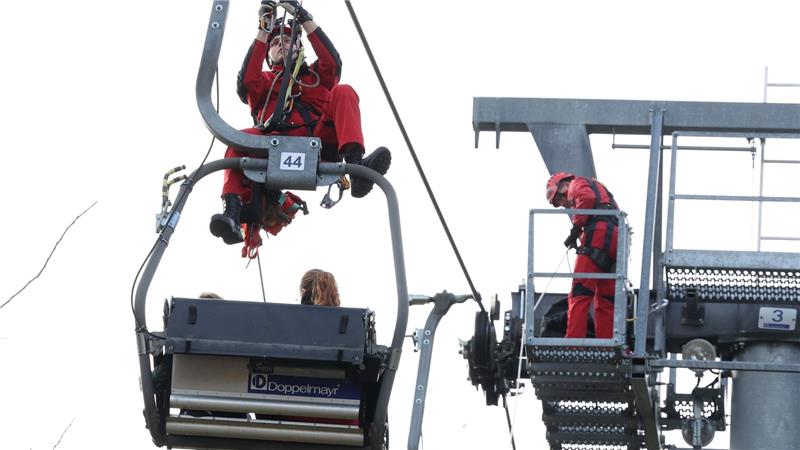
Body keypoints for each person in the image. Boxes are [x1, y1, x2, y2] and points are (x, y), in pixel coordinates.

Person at [210, 0, 391, 245]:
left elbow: (333, 63)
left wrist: (304, 18)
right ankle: (232, 212)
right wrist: (264, 28)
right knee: (238, 139)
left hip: (318, 143)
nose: (280, 45)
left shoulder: (316, 76)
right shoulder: (264, 81)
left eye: (286, 40)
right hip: (273, 145)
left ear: (298, 46)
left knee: (344, 91)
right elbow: (246, 81)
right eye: (274, 43)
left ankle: (357, 166)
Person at [545, 172, 619, 339]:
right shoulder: (599, 189)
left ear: (562, 184)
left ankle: (573, 341)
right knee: (605, 298)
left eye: (559, 199)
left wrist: (576, 229)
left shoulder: (577, 184)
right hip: (615, 239)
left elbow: (587, 199)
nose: (563, 204)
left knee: (580, 292)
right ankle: (605, 345)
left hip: (598, 237)